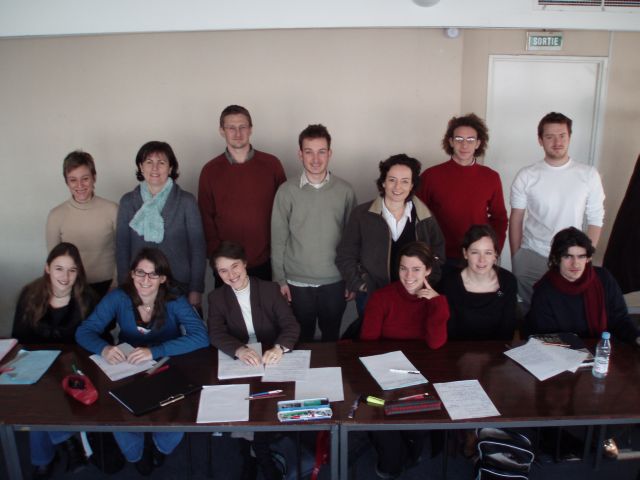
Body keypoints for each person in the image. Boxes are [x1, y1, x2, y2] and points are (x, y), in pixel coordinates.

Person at [76, 247, 209, 476]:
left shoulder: (175, 299)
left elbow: (201, 336)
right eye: (140, 272)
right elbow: (84, 331)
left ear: (163, 278)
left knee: (176, 414)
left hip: (167, 365)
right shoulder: (118, 297)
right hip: (128, 367)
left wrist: (154, 351)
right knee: (119, 412)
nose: (145, 280)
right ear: (132, 274)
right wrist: (104, 348)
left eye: (153, 274)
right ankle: (136, 453)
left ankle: (159, 447)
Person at [207, 241, 299, 480]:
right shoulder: (216, 297)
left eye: (235, 266)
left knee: (264, 403)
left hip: (271, 359)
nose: (231, 275)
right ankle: (259, 457)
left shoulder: (269, 289)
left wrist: (279, 348)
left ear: (245, 264)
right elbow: (215, 334)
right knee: (242, 403)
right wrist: (238, 349)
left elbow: (291, 326)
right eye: (223, 271)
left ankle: (252, 455)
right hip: (241, 362)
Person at [359, 241, 449, 478]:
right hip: (384, 372)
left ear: (428, 270)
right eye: (403, 268)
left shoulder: (435, 300)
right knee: (387, 434)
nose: (409, 276)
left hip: (420, 375)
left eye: (416, 269)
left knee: (416, 421)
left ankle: (408, 449)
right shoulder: (382, 298)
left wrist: (437, 304)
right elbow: (368, 345)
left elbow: (436, 343)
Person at [12, 242, 94, 478]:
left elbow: (94, 339)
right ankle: (67, 442)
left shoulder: (88, 298)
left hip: (74, 365)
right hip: (37, 364)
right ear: (47, 268)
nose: (65, 277)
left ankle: (44, 459)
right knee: (40, 393)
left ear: (78, 272)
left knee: (47, 395)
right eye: (59, 268)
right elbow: (20, 338)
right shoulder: (30, 295)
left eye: (72, 270)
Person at [509, 112, 605, 313]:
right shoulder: (527, 175)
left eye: (562, 135)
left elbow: (596, 218)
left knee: (567, 312)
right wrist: (517, 256)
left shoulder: (588, 174)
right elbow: (516, 218)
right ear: (540, 140)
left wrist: (585, 255)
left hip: (570, 256)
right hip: (533, 254)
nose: (557, 142)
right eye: (550, 136)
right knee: (532, 312)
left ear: (570, 137)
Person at [271, 124, 357, 341]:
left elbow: (353, 241)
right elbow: (278, 238)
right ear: (300, 154)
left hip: (335, 280)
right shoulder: (286, 191)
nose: (316, 159)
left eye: (321, 152)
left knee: (331, 338)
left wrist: (351, 278)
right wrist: (280, 280)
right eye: (309, 152)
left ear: (330, 153)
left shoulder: (345, 191)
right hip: (296, 282)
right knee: (301, 339)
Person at [336, 153, 445, 317]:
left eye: (405, 181)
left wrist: (424, 283)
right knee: (371, 333)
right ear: (383, 182)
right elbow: (345, 255)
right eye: (392, 180)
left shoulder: (425, 217)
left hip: (413, 297)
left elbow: (438, 255)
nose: (397, 187)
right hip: (371, 296)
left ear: (412, 185)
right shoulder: (361, 215)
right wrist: (361, 285)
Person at [198, 105, 286, 285]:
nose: (237, 133)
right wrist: (218, 258)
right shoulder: (210, 171)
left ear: (251, 129)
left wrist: (278, 254)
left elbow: (285, 212)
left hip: (265, 261)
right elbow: (206, 219)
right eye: (231, 127)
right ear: (222, 131)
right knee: (226, 305)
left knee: (266, 304)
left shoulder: (272, 165)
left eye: (242, 127)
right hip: (227, 266)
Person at [116, 140, 206, 309]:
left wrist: (196, 288)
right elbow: (122, 248)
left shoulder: (187, 201)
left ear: (170, 168)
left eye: (162, 163)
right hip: (139, 287)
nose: (155, 168)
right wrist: (124, 287)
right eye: (149, 162)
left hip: (179, 285)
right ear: (141, 167)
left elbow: (198, 248)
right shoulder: (128, 202)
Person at [417, 114, 507, 270]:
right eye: (459, 139)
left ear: (478, 143)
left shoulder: (491, 177)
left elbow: (499, 218)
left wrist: (493, 251)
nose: (464, 145)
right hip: (440, 256)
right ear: (451, 142)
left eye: (470, 140)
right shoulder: (431, 176)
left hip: (478, 257)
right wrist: (425, 251)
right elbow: (417, 217)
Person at [526, 227, 640, 344]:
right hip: (561, 351)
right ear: (556, 259)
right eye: (567, 256)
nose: (575, 264)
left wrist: (636, 337)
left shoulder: (604, 278)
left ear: (588, 258)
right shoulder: (544, 291)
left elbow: (620, 320)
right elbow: (545, 337)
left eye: (581, 256)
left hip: (602, 349)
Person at [46, 150, 118, 299]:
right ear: (66, 182)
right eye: (73, 180)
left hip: (108, 286)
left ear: (94, 177)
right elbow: (54, 262)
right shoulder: (55, 216)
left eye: (85, 178)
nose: (79, 185)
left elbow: (123, 251)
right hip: (71, 287)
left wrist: (116, 284)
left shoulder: (113, 210)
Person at [441, 224, 518, 341]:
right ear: (465, 253)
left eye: (488, 252)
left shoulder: (508, 281)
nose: (482, 260)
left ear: (495, 255)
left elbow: (507, 329)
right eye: (475, 252)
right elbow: (449, 332)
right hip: (458, 350)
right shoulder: (449, 283)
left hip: (497, 350)